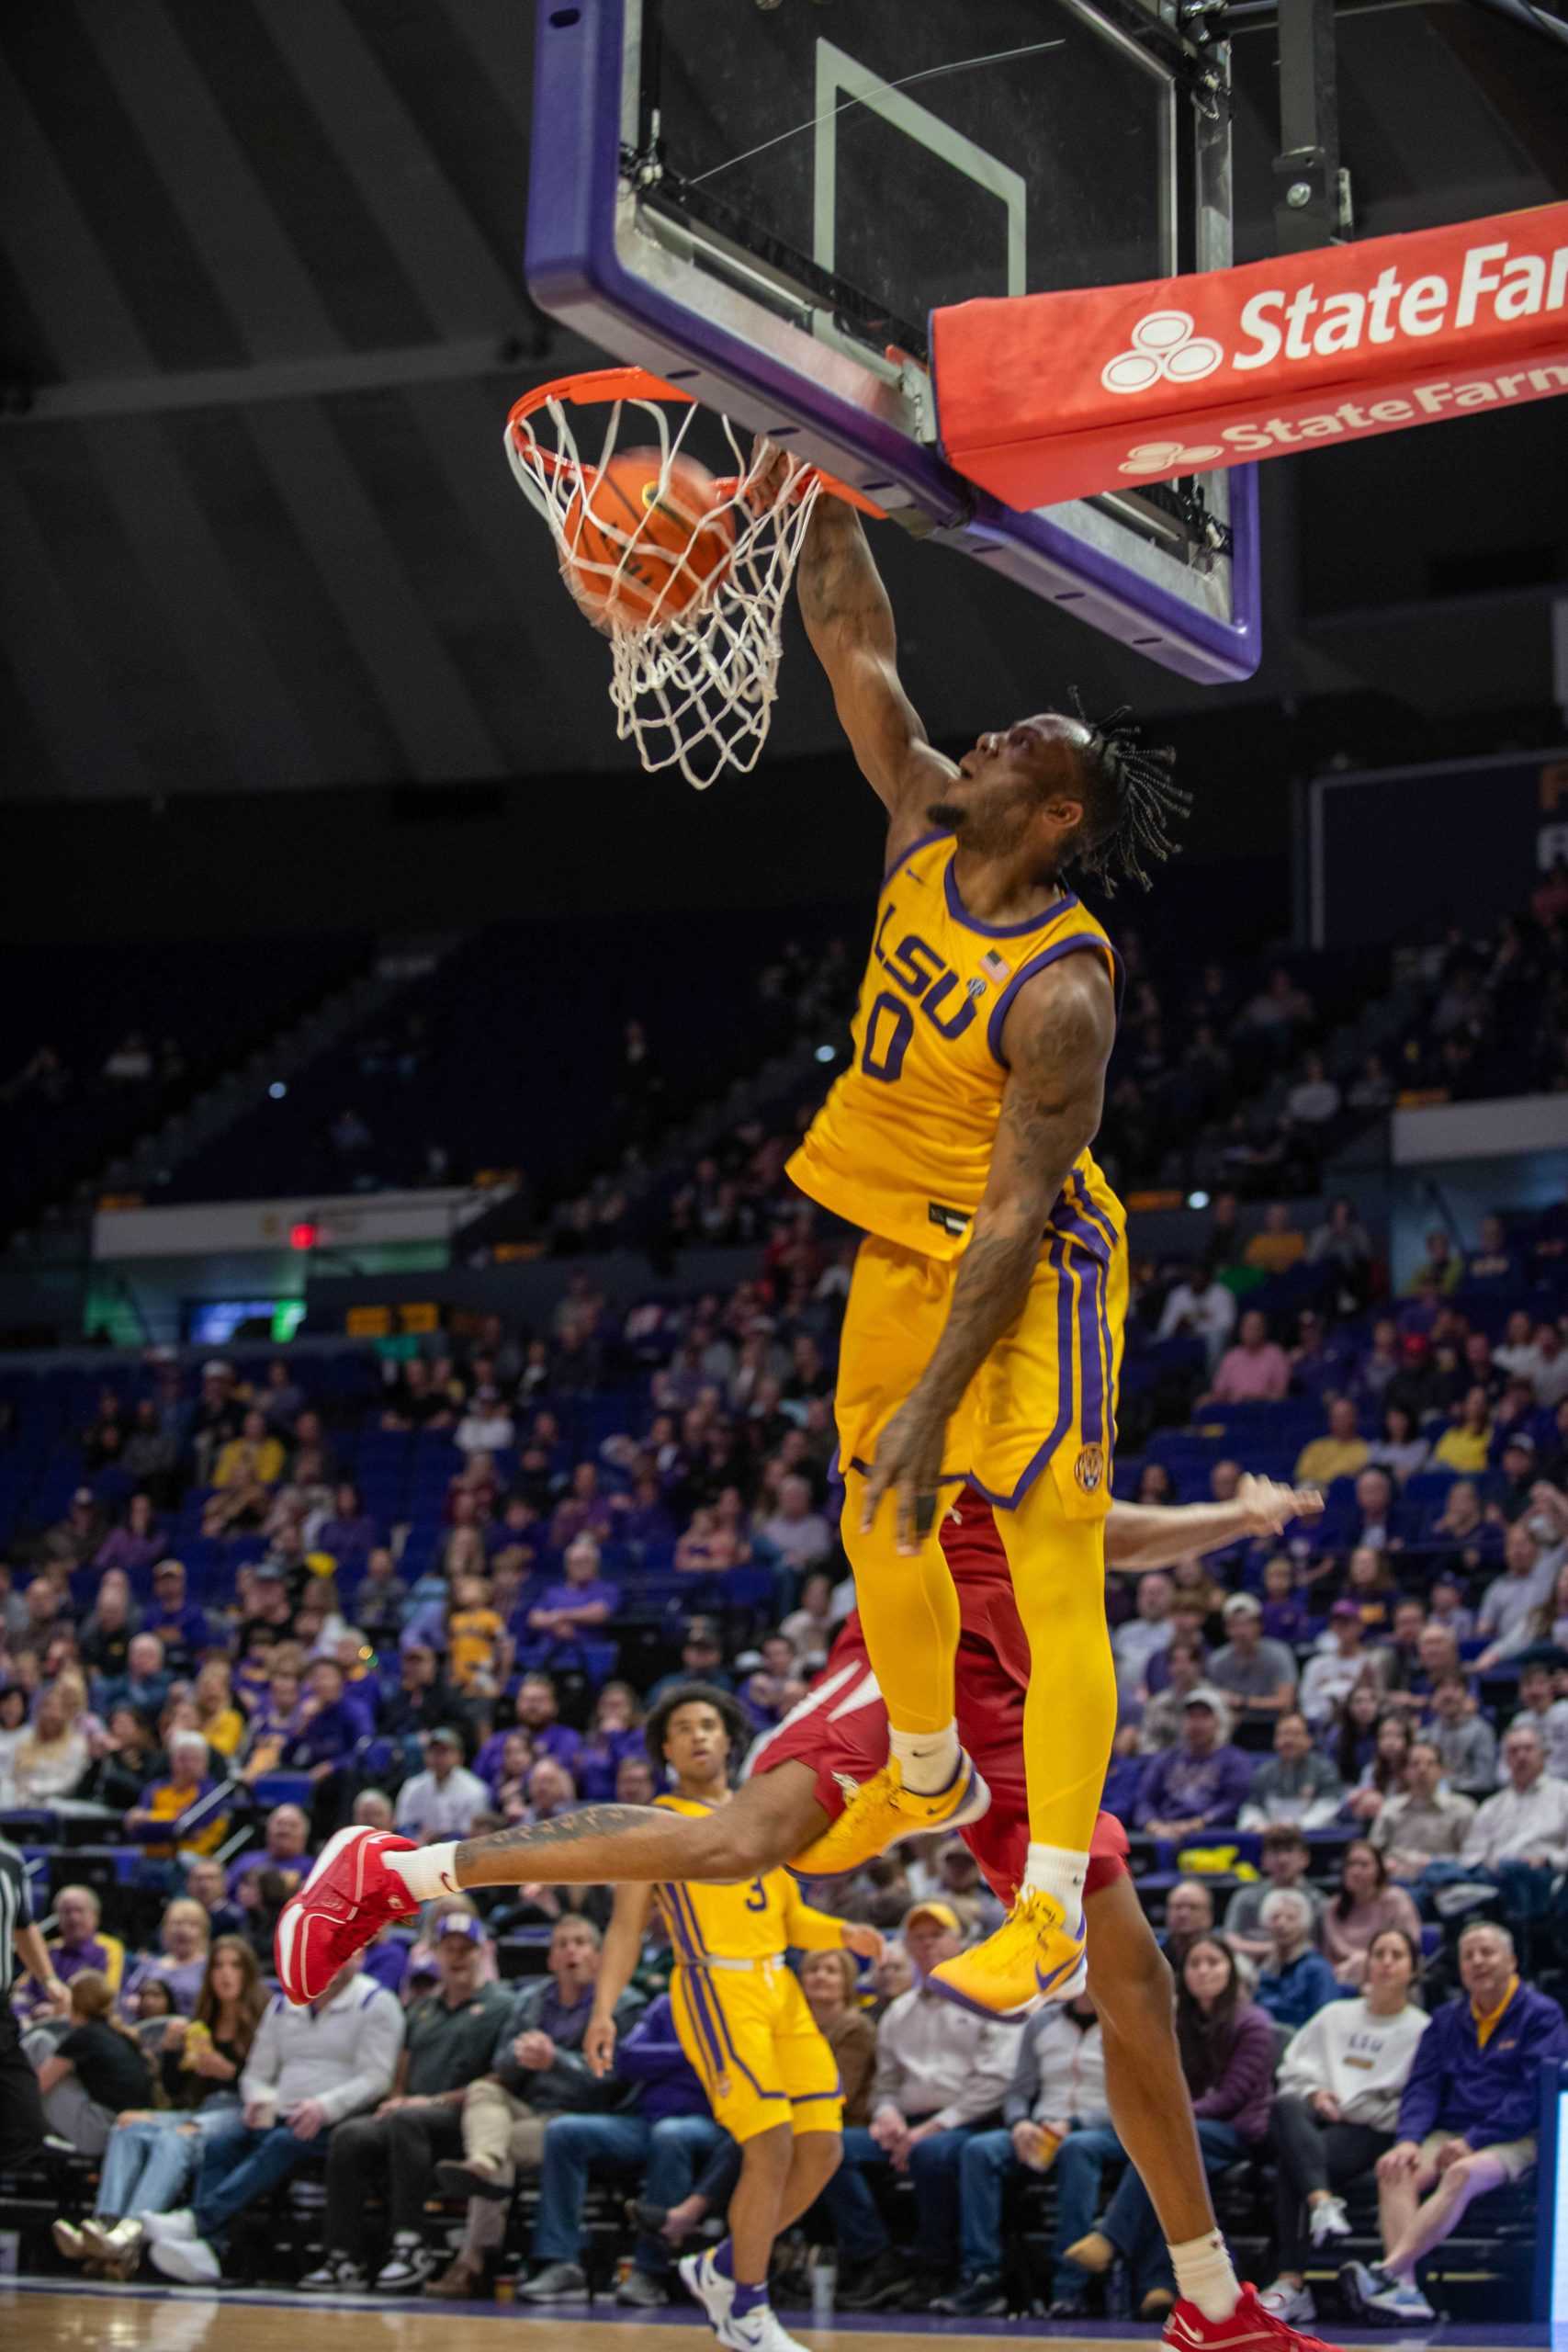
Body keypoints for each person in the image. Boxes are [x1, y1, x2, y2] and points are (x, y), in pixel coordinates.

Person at [281, 1473, 1335, 2352]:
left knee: (1137, 1981)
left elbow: (1095, 1527)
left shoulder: (1066, 1379)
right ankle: (399, 1868)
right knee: (733, 1839)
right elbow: (892, 1478)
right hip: (910, 1656)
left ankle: (1208, 2302)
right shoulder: (969, 1313)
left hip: (1019, 1712)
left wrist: (1236, 1521)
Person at [761, 479, 1190, 2020]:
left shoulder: (1063, 991)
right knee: (877, 1515)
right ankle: (928, 1773)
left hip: (1037, 1271)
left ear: (1056, 813)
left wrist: (948, 1397)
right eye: (996, 733)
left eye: (1018, 747)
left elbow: (1015, 1220)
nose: (987, 741)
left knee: (1045, 1563)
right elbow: (855, 645)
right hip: (901, 1234)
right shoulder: (920, 815)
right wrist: (808, 462)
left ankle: (1052, 1908)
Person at [584, 1686, 877, 2352]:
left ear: (728, 1740)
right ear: (665, 1748)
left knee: (823, 2147)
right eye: (682, 1728)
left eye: (708, 1725)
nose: (696, 1737)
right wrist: (603, 2010)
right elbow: (626, 1928)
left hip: (780, 1987)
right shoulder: (650, 1824)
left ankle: (721, 2267)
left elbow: (785, 1913)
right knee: (769, 2143)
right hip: (714, 1987)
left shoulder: (757, 1814)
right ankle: (746, 2308)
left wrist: (842, 1932)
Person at [1340, 1921, 1568, 2325]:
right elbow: (1422, 2088)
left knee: (1461, 2173)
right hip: (1450, 2132)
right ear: (1459, 1969)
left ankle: (1388, 2272)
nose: (1477, 1962)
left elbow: (1531, 2097)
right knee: (1395, 2169)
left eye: (1487, 1952)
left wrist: (1476, 2140)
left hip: (1515, 2137)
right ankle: (1406, 2292)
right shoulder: (1445, 2020)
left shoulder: (1542, 2016)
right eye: (1468, 1955)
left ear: (1512, 1961)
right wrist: (1409, 2140)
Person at [143, 1956, 404, 2285]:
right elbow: (257, 2072)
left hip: (343, 2123)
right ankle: (208, 2251)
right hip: (281, 2113)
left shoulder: (377, 2002)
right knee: (223, 2144)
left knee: (282, 2143)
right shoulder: (284, 2003)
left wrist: (324, 2107)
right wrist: (258, 2098)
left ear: (360, 1955)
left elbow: (377, 2077)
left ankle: (197, 2222)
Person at [423, 1912, 645, 2299]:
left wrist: (554, 2059)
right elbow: (500, 2065)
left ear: (598, 1956)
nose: (570, 1950)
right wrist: (521, 2055)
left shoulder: (622, 2004)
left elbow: (614, 2083)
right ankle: (485, 2160)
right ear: (550, 1959)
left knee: (498, 2151)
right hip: (531, 2109)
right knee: (483, 2092)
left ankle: (472, 2261)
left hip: (582, 2118)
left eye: (579, 1942)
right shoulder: (532, 2000)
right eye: (561, 1944)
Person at [1063, 1939, 1276, 2321]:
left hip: (1236, 2133)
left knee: (1162, 2147)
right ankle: (1157, 2284)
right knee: (1164, 2161)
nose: (1204, 1970)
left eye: (1214, 1962)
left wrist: (1170, 2117)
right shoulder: (1178, 2024)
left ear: (1231, 1972)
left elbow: (1232, 2097)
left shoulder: (1254, 2024)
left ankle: (1112, 2238)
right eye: (1196, 1963)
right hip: (1187, 2131)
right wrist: (1167, 2117)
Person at [299, 1910, 511, 2294]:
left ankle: (412, 2245)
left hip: (465, 2118)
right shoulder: (423, 2008)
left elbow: (501, 2080)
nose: (458, 1957)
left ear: (483, 1953)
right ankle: (343, 2255)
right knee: (352, 2135)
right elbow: (402, 2070)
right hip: (412, 2113)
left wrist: (424, 2102)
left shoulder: (502, 2004)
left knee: (407, 2121)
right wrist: (395, 2099)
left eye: (467, 1949)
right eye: (450, 1949)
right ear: (436, 1953)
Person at [835, 1899, 1015, 2308]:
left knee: (931, 2154)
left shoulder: (991, 1998)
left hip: (970, 2123)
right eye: (919, 1937)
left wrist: (926, 2131)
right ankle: (877, 2255)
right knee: (830, 2146)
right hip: (908, 2123)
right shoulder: (899, 2012)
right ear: (909, 1947)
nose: (928, 1944)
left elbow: (995, 2083)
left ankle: (938, 2266)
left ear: (961, 1942)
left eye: (938, 1935)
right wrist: (887, 2116)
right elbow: (886, 2083)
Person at [55, 1937, 266, 2277]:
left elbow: (272, 2083)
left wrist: (231, 2072)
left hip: (242, 2110)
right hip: (202, 2109)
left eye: (235, 1965)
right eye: (219, 1965)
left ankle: (129, 2236)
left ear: (248, 1973)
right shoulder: (202, 2019)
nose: (226, 1974)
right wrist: (170, 2054)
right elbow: (176, 2090)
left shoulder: (266, 2019)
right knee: (126, 2125)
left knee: (176, 2139)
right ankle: (103, 2228)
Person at [519, 1991, 732, 2308]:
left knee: (670, 2135)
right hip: (644, 2122)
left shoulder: (740, 2005)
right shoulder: (667, 2004)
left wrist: (661, 2062)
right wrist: (691, 2055)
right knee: (564, 2132)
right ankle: (560, 2263)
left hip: (711, 2126)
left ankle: (650, 2272)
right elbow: (628, 2058)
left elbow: (731, 2063)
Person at [1261, 1928, 1429, 2326]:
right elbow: (1293, 2070)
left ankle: (1293, 2284)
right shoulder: (1335, 2016)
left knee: (1295, 2163)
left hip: (1370, 2132)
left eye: (1397, 1955)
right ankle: (1323, 2205)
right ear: (1367, 1964)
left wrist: (1361, 2108)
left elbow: (1415, 2099)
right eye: (1379, 1953)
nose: (1386, 1962)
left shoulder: (1421, 2029)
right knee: (1286, 2105)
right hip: (1318, 2120)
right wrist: (1317, 2093)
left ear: (1413, 1969)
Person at [942, 1984, 1109, 2317]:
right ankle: (982, 2276)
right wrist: (1019, 2122)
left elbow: (1133, 2099)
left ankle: (1070, 2285)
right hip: (1041, 2128)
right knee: (979, 2150)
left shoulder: (1125, 2020)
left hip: (1100, 2130)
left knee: (1076, 2150)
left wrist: (1075, 2123)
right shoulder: (1042, 2022)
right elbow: (1019, 2090)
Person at [26, 1967, 153, 2156]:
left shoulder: (84, 2036)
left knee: (38, 2042)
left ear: (74, 2002)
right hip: (127, 2125)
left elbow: (36, 2089)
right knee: (42, 2045)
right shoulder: (115, 2032)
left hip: (104, 2131)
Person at [1133, 1689, 1253, 1838]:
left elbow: (1232, 1803)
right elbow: (1144, 1801)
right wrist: (1153, 1825)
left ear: (1219, 1721)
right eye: (1191, 1716)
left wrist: (1198, 1823)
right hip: (1164, 1832)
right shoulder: (1165, 1759)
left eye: (1204, 1717)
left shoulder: (1235, 1760)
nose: (1197, 1724)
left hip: (1210, 1836)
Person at [1370, 1739, 1476, 1879]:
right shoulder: (1390, 1808)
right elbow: (1373, 1854)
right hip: (1398, 1881)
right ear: (1404, 1772)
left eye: (1430, 1764)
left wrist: (1432, 1864)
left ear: (1442, 1770)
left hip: (1445, 1881)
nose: (1422, 1770)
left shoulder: (1462, 1808)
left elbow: (1472, 1857)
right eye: (1415, 1764)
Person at [1320, 1841, 1422, 1987]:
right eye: (1351, 1864)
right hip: (1340, 1979)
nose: (1356, 1871)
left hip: (1388, 1973)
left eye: (1364, 1865)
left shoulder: (1396, 1900)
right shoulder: (1332, 1908)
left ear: (1378, 1870)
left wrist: (1365, 1962)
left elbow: (1408, 1950)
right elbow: (1326, 1958)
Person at [1223, 1827, 1324, 1963]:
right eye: (1275, 1852)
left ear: (1305, 1858)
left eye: (1289, 1850)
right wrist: (1273, 1949)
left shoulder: (1317, 1900)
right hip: (1253, 1964)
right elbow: (1230, 1940)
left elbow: (1320, 1946)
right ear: (1263, 1860)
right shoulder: (1245, 1897)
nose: (1282, 1859)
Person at [1207, 1594, 1298, 1733]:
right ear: (1226, 1629)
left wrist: (1243, 1702)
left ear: (1259, 1626)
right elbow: (1212, 1703)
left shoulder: (1279, 1654)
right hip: (1231, 1729)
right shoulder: (1217, 1660)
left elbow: (1286, 1702)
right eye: (1234, 1625)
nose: (1241, 1632)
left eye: (1246, 1624)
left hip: (1273, 1727)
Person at [1239, 1715, 1343, 1833]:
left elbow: (1330, 1806)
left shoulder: (1324, 1769)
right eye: (1282, 1734)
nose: (1288, 1740)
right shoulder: (1264, 1771)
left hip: (1313, 1839)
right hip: (1272, 1839)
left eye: (1295, 1734)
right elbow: (1251, 1807)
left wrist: (1297, 1826)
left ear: (1309, 1740)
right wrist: (1257, 1825)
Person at [1254, 1892, 1340, 2031]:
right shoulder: (1263, 1969)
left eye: (1291, 1918)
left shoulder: (1318, 1969)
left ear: (1304, 1925)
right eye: (1275, 1918)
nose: (1281, 1924)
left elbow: (1326, 2020)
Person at [393, 1724, 491, 1841]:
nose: (438, 1757)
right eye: (433, 1751)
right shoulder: (412, 1786)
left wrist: (440, 1838)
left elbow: (473, 1833)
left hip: (459, 1851)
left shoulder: (475, 1789)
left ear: (460, 1756)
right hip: (419, 1849)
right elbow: (403, 1825)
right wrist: (415, 1838)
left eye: (444, 1751)